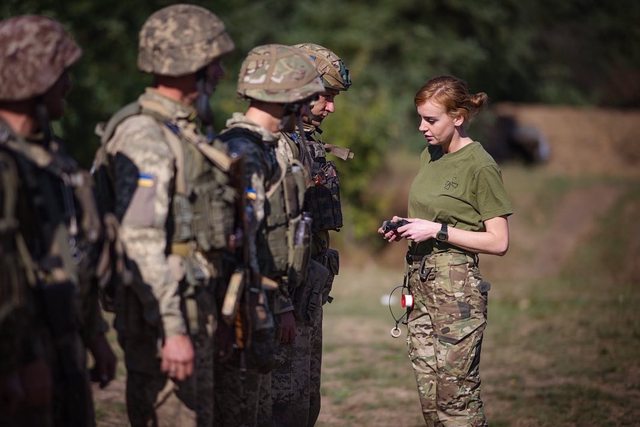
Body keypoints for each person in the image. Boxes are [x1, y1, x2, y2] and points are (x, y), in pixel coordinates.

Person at [91, 4, 234, 426]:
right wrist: (172, 330)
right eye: (214, 64)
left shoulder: (180, 129)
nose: (221, 73)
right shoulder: (145, 134)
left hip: (191, 309)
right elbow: (141, 241)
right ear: (192, 66)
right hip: (163, 319)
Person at [0, 15, 116, 426]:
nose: (68, 84)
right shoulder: (7, 163)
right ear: (32, 79)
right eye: (60, 73)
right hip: (23, 358)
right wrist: (17, 363)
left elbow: (69, 255)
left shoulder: (51, 158)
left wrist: (94, 334)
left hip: (63, 347)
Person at [379, 75, 512, 426]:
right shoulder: (430, 154)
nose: (422, 127)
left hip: (456, 292)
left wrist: (436, 230)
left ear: (458, 117)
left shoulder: (480, 166)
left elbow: (499, 241)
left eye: (431, 119)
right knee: (430, 399)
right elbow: (435, 213)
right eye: (420, 118)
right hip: (420, 283)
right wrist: (406, 225)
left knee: (456, 399)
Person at [213, 43, 324, 427]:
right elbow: (238, 244)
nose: (309, 108)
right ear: (287, 98)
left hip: (263, 305)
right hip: (241, 312)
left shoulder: (271, 147)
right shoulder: (242, 150)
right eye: (305, 98)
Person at [273, 42, 352, 426]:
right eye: (326, 96)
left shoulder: (304, 142)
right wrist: (281, 302)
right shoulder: (278, 145)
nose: (330, 107)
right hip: (286, 295)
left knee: (304, 404)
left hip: (308, 288)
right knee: (283, 404)